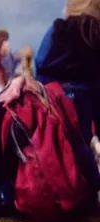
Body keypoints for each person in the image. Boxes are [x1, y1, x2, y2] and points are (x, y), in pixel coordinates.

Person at [35, 0, 100, 144]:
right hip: (90, 99)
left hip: (58, 98)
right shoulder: (95, 30)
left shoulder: (57, 29)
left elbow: (41, 63)